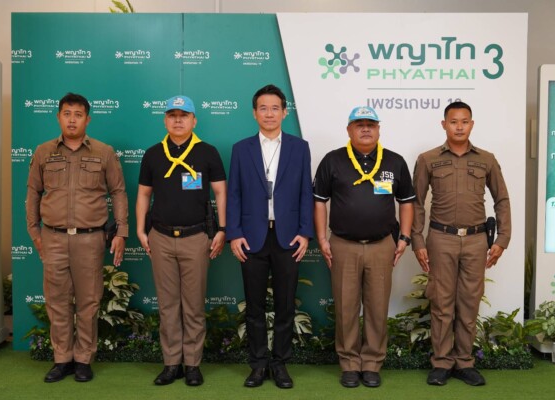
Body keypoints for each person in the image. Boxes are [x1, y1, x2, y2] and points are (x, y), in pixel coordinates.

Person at [26, 92, 128, 383]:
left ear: (87, 119)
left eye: (78, 114)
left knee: (88, 302)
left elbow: (118, 191)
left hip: (90, 239)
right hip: (53, 238)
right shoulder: (44, 152)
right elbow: (33, 192)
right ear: (58, 117)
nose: (72, 120)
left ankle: (83, 359)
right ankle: (62, 360)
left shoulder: (103, 152)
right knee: (57, 302)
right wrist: (35, 232)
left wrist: (121, 231)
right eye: (67, 114)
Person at [313, 106, 415, 388]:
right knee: (346, 307)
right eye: (359, 124)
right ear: (349, 130)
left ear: (379, 129)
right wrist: (322, 238)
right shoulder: (333, 160)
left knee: (377, 307)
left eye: (371, 124)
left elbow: (407, 202)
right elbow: (319, 201)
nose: (366, 129)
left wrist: (404, 237)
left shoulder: (394, 161)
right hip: (343, 245)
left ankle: (371, 363)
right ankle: (349, 363)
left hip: (382, 245)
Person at [411, 101, 511, 387]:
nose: (459, 127)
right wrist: (417, 240)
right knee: (442, 304)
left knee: (469, 303)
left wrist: (503, 239)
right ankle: (442, 363)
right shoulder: (428, 159)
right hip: (441, 239)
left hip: (477, 241)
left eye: (464, 121)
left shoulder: (486, 159)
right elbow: (416, 203)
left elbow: (502, 199)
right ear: (444, 125)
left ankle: (465, 362)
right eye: (453, 121)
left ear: (472, 124)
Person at [136, 95, 227, 387]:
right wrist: (141, 230)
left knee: (193, 306)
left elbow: (221, 192)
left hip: (196, 237)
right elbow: (143, 194)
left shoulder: (207, 152)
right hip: (160, 237)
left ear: (194, 120)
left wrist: (222, 229)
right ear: (165, 120)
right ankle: (171, 363)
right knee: (167, 305)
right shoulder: (153, 154)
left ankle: (192, 365)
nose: (178, 120)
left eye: (184, 115)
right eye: (172, 115)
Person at [226, 84, 313, 389]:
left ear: (285, 112)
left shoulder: (299, 148)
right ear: (254, 113)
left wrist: (305, 233)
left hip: (288, 238)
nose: (269, 113)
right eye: (263, 108)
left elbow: (306, 193)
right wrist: (234, 234)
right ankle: (258, 364)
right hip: (252, 238)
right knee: (254, 306)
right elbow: (234, 194)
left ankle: (280, 364)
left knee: (286, 305)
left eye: (275, 108)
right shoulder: (241, 149)